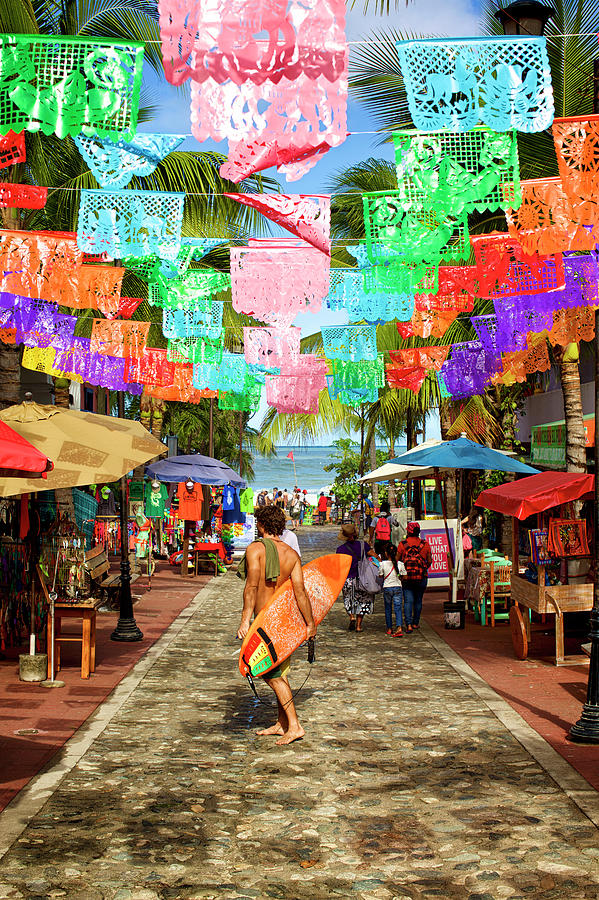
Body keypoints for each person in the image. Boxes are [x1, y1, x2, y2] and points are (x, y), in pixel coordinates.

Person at [237, 506, 315, 745]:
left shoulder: (256, 549)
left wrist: (245, 619)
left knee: (268, 673)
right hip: (285, 620)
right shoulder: (292, 554)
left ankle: (295, 725)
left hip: (264, 621)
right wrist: (310, 623)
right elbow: (300, 592)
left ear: (261, 525)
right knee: (279, 670)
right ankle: (282, 724)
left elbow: (251, 586)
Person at [336, 523, 377, 632]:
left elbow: (339, 566)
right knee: (363, 601)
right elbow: (375, 556)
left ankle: (351, 617)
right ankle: (359, 626)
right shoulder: (363, 545)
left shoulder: (340, 549)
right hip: (363, 579)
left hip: (348, 578)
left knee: (348, 599)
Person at [397, 522, 432, 633]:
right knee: (418, 600)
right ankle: (415, 623)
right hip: (421, 577)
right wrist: (424, 567)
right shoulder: (425, 544)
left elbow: (397, 560)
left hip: (407, 578)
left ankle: (408, 625)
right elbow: (430, 560)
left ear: (408, 531)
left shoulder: (402, 544)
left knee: (408, 601)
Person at [380, 543, 407, 637]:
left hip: (387, 587)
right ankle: (399, 627)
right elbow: (405, 576)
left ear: (386, 553)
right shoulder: (400, 564)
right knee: (398, 608)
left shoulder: (382, 564)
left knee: (388, 608)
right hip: (398, 587)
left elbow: (380, 575)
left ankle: (389, 628)